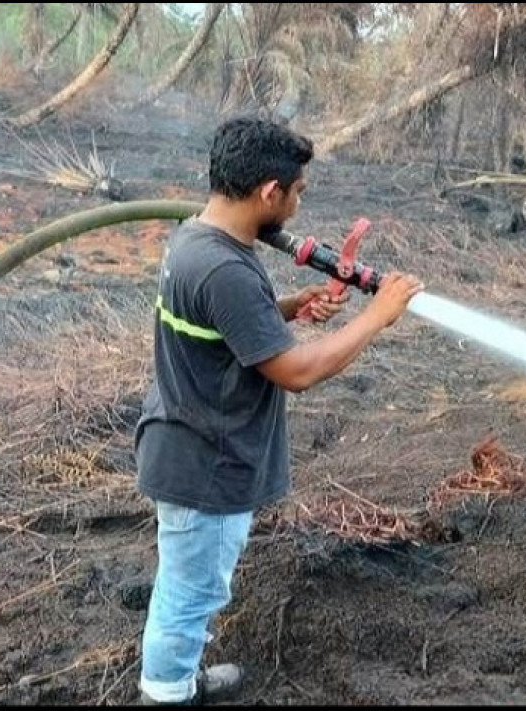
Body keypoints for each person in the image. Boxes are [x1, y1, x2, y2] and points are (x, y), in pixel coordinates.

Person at [134, 116, 425, 705]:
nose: (297, 206)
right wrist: (377, 316)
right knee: (190, 595)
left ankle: (177, 679)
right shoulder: (224, 269)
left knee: (189, 586)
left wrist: (287, 307)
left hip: (186, 444)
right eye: (297, 193)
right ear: (270, 191)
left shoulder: (197, 239)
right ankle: (166, 694)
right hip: (206, 465)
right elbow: (297, 372)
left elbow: (223, 322)